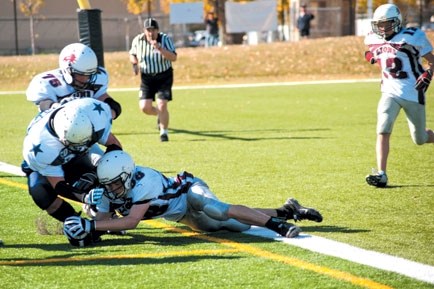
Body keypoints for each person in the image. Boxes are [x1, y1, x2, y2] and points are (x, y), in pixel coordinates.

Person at [63, 150, 323, 247]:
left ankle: (277, 225)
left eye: (116, 184)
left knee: (216, 209)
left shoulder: (145, 181)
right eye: (108, 185)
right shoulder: (110, 185)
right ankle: (287, 210)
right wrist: (93, 214)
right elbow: (105, 220)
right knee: (235, 226)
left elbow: (130, 222)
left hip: (188, 191)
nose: (112, 189)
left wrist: (93, 225)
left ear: (127, 176)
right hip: (181, 214)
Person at [364, 3, 434, 187]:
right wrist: (370, 56)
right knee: (383, 128)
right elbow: (371, 52)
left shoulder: (413, 36)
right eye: (379, 24)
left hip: (413, 93)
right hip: (389, 91)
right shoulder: (373, 38)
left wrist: (428, 73)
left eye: (386, 24)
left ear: (396, 22)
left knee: (420, 139)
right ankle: (382, 174)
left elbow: (432, 61)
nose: (382, 28)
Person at [21, 97, 122, 225]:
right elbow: (59, 185)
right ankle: (74, 222)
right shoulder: (41, 146)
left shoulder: (93, 112)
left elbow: (114, 145)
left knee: (112, 173)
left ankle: (106, 214)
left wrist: (99, 172)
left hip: (82, 154)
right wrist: (84, 197)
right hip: (48, 163)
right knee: (41, 194)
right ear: (61, 138)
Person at [26, 42, 122, 120]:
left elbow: (107, 101)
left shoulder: (97, 78)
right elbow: (44, 105)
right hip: (53, 132)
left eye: (89, 75)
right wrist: (58, 107)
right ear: (67, 71)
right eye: (81, 74)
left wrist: (111, 112)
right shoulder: (47, 82)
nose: (86, 79)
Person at [129, 18, 177, 142]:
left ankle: (164, 133)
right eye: (148, 30)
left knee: (162, 104)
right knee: (145, 107)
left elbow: (173, 57)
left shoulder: (165, 39)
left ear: (158, 30)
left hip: (163, 76)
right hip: (147, 77)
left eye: (153, 30)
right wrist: (134, 64)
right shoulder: (138, 40)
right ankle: (160, 115)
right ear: (144, 31)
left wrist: (160, 49)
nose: (151, 33)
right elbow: (132, 54)